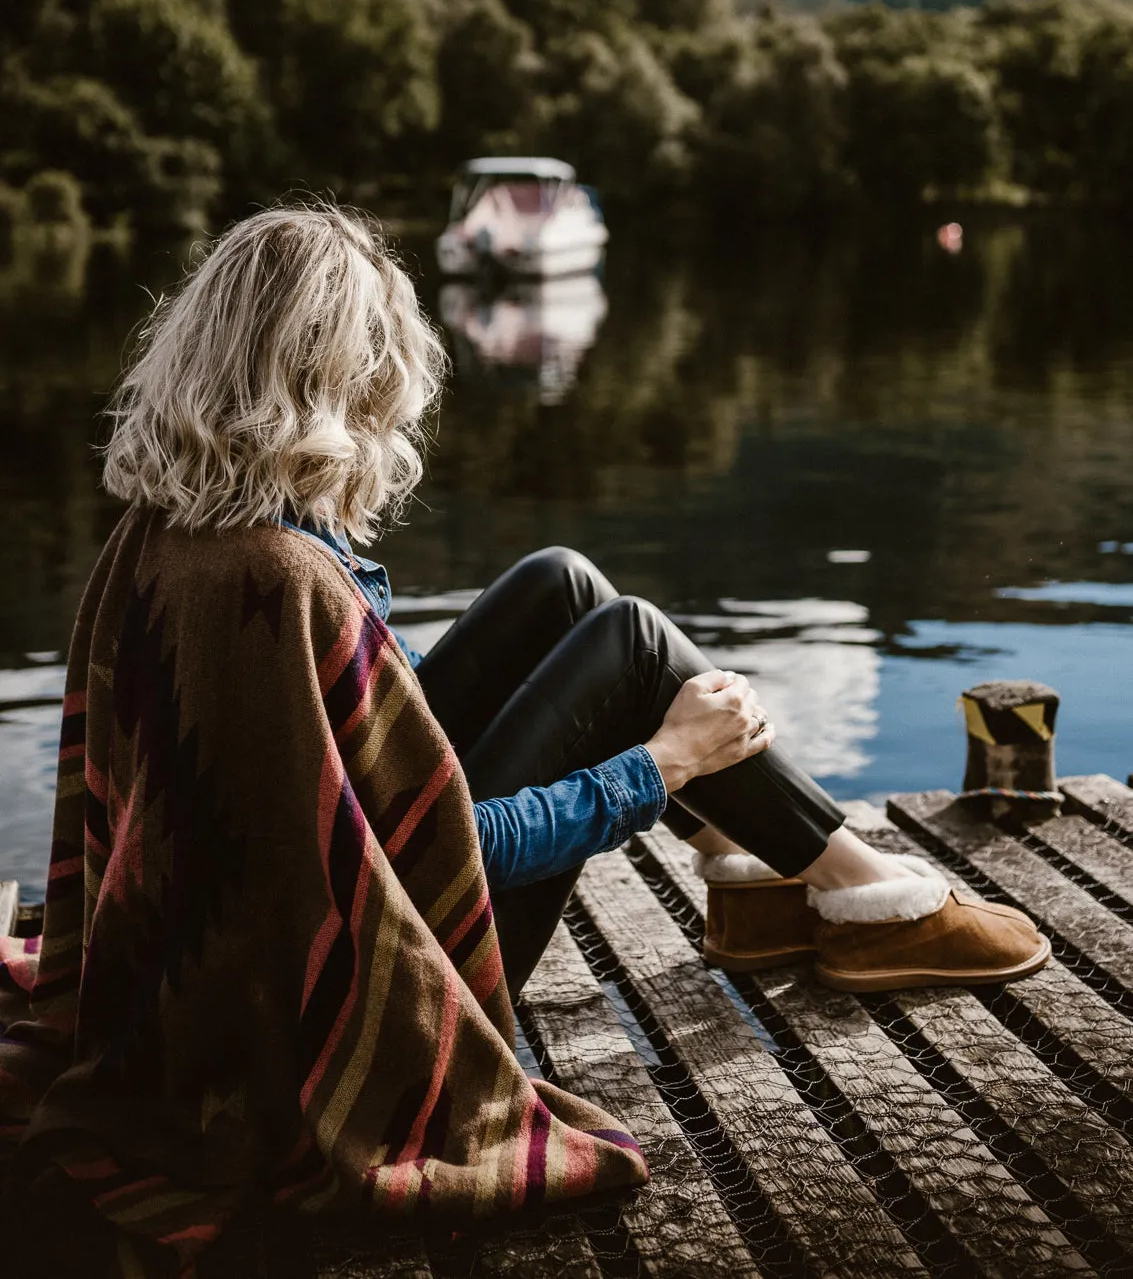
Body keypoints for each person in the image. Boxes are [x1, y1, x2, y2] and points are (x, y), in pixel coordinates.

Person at [0, 203, 1049, 1271]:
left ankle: (769, 868)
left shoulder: (176, 528)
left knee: (563, 583)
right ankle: (848, 888)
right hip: (336, 1001)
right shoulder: (274, 579)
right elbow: (409, 869)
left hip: (250, 948)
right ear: (341, 370)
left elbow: (346, 809)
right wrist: (659, 767)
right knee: (635, 644)